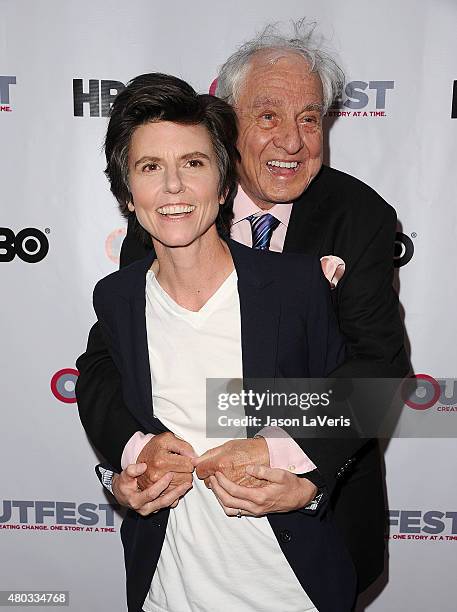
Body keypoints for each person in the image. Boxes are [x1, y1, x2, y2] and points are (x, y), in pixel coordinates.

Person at [77, 19, 409, 607]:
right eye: (268, 116)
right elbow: (109, 359)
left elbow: (376, 372)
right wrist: (136, 448)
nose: (293, 141)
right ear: (226, 124)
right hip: (179, 556)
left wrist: (278, 447)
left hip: (309, 535)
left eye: (310, 118)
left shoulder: (360, 218)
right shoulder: (167, 213)